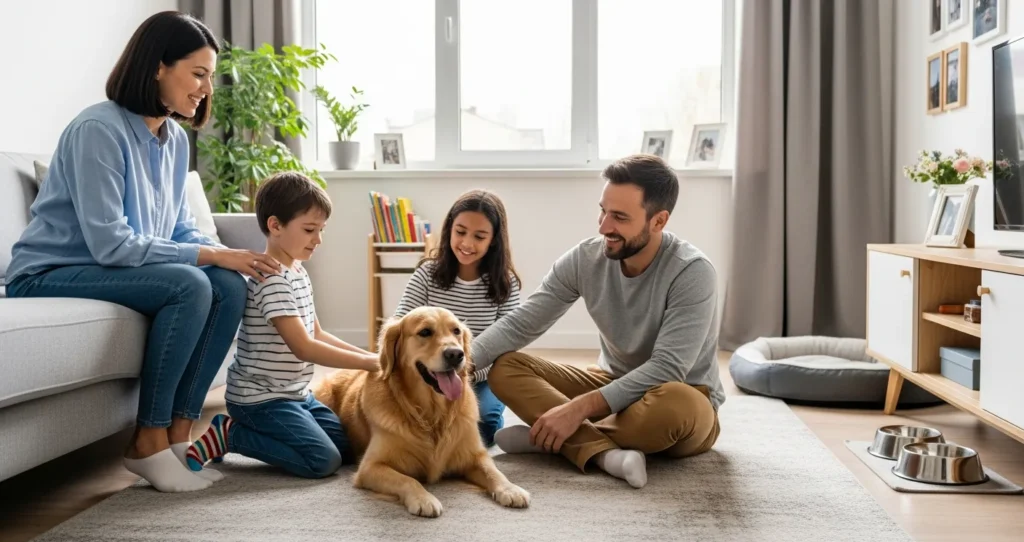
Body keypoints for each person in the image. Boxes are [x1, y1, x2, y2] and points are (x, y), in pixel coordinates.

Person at [3, 11, 281, 493]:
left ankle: (179, 435)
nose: (205, 88)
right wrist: (213, 257)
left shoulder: (172, 139)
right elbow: (112, 243)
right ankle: (146, 442)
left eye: (209, 77)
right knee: (191, 283)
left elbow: (176, 227)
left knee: (228, 286)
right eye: (197, 74)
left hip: (103, 268)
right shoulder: (98, 130)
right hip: (49, 272)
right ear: (157, 67)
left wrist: (231, 256)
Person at [469, 154, 724, 489]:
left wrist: (576, 410)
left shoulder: (692, 272)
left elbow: (668, 367)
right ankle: (602, 452)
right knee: (505, 368)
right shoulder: (585, 257)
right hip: (610, 382)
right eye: (603, 210)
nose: (604, 226)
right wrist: (461, 362)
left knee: (676, 406)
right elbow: (522, 323)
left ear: (658, 221)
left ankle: (546, 438)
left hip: (680, 396)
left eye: (619, 217)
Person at [185, 172, 380, 479]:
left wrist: (369, 356)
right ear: (275, 226)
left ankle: (264, 434)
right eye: (309, 230)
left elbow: (317, 334)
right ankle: (230, 435)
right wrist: (370, 363)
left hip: (297, 394)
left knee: (346, 449)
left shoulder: (298, 273)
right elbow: (304, 347)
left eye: (321, 230)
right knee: (322, 461)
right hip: (260, 400)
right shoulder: (272, 281)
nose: (318, 239)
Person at [393, 189, 521, 446]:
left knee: (482, 428)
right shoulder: (426, 275)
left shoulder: (506, 283)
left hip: (481, 378)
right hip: (428, 374)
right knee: (406, 420)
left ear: (493, 240)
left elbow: (510, 341)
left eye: (479, 236)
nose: (467, 244)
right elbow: (400, 325)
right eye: (460, 232)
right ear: (449, 229)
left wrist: (468, 367)